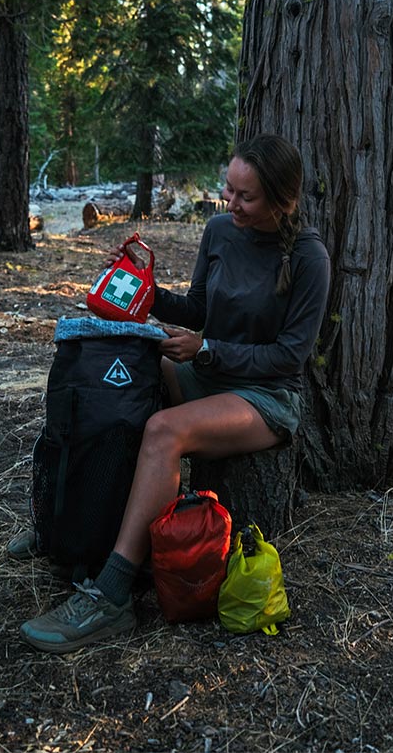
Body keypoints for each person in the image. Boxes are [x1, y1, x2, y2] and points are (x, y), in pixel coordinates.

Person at [18, 133, 331, 654]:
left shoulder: (308, 258)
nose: (230, 204)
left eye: (245, 198)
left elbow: (289, 357)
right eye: (227, 190)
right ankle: (74, 522)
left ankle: (112, 596)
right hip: (208, 375)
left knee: (164, 429)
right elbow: (199, 311)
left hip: (265, 397)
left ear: (284, 199)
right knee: (131, 372)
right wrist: (145, 288)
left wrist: (207, 351)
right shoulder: (219, 231)